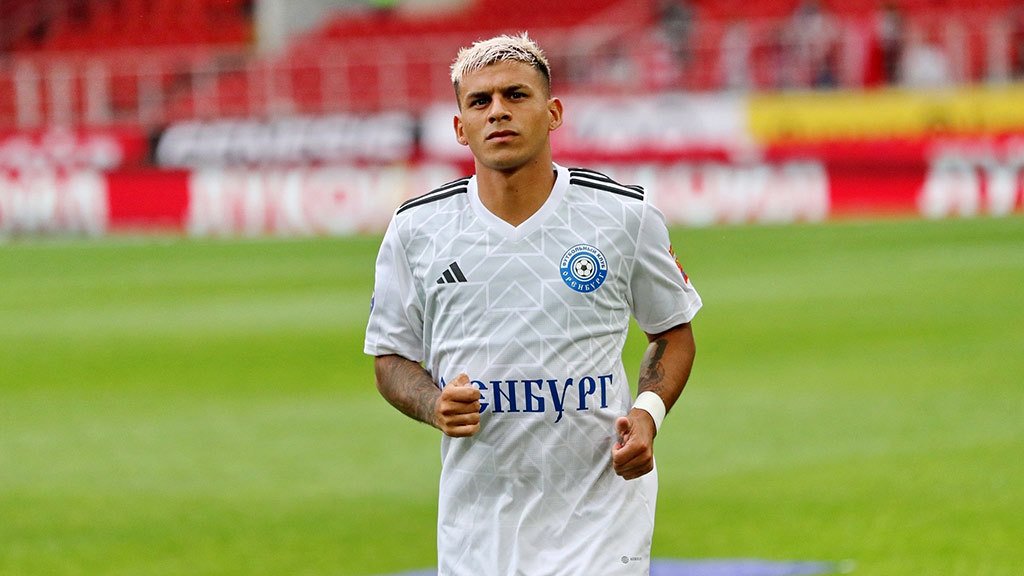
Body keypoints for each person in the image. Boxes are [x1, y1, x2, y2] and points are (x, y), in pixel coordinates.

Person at [364, 33, 701, 575]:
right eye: (480, 101)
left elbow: (671, 332)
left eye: (516, 95)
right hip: (478, 529)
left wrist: (648, 413)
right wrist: (433, 404)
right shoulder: (416, 230)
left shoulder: (623, 216)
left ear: (553, 113)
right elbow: (390, 357)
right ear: (460, 127)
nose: (498, 111)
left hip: (601, 519)